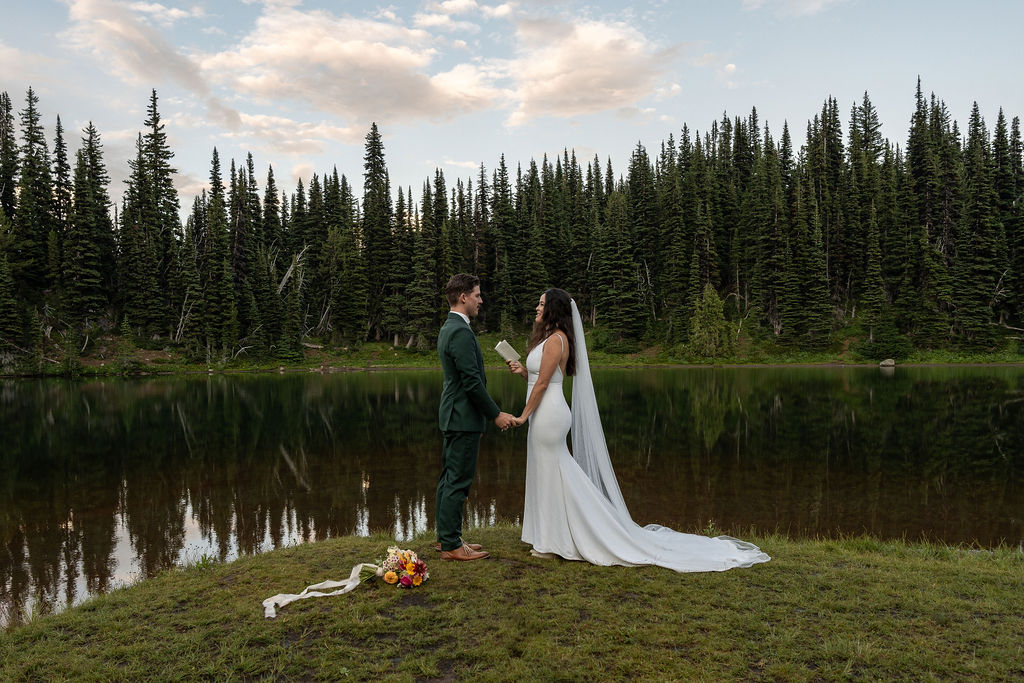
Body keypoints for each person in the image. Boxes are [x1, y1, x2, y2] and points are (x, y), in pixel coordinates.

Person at [506, 288, 770, 571]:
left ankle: (556, 541)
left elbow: (546, 384)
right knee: (548, 472)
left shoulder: (557, 340)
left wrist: (522, 417)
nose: (536, 307)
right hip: (544, 413)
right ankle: (548, 537)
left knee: (553, 471)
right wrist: (523, 372)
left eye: (541, 304)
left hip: (549, 415)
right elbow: (537, 380)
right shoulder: (548, 338)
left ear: (553, 309)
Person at [436, 274, 518, 561]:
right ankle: (451, 546)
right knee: (457, 480)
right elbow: (471, 382)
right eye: (477, 295)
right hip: (463, 417)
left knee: (448, 479)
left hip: (454, 415)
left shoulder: (450, 327)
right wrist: (495, 414)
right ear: (463, 297)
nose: (480, 301)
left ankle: (447, 537)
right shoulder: (459, 331)